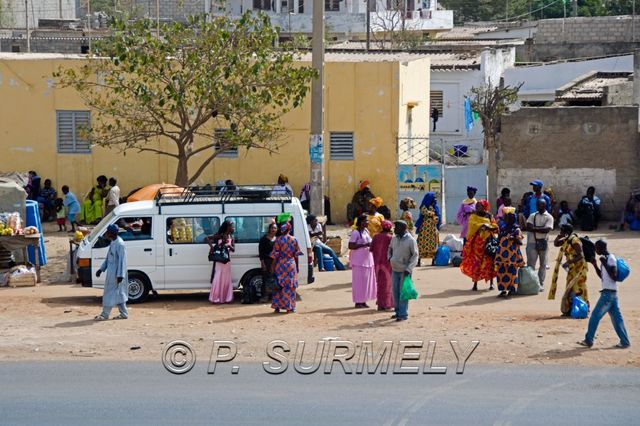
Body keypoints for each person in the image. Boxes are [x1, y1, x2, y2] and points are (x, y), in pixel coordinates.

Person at [578, 240, 630, 349]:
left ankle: (589, 340)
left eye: (596, 248)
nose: (595, 250)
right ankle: (625, 342)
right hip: (611, 293)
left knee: (595, 316)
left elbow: (614, 276)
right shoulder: (606, 259)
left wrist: (604, 263)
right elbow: (603, 277)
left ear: (601, 248)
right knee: (617, 319)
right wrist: (595, 265)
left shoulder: (610, 258)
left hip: (608, 294)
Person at [549, 224, 589, 316]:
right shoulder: (567, 239)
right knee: (570, 288)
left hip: (579, 268)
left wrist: (569, 262)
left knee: (578, 288)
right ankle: (570, 309)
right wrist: (558, 236)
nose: (560, 232)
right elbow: (556, 244)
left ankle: (582, 309)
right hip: (572, 268)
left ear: (566, 232)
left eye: (562, 231)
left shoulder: (574, 240)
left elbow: (581, 255)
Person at [460, 199, 498, 291]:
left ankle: (491, 283)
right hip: (477, 243)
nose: (477, 207)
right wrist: (483, 225)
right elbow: (472, 225)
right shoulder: (473, 216)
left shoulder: (489, 215)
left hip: (488, 241)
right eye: (477, 206)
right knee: (476, 263)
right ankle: (475, 284)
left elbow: (495, 226)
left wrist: (489, 227)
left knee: (489, 262)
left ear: (484, 207)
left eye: (479, 206)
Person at [93, 224, 128, 321]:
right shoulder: (113, 242)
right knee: (119, 293)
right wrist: (101, 269)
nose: (106, 234)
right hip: (111, 273)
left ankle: (105, 314)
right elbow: (109, 257)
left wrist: (120, 275)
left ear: (111, 233)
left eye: (107, 232)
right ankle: (124, 314)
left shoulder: (120, 244)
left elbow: (122, 261)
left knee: (109, 293)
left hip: (116, 274)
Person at [388, 220, 419, 322]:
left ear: (403, 228)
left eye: (396, 227)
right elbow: (390, 249)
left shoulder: (411, 240)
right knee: (395, 291)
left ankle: (402, 314)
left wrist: (409, 268)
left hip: (405, 271)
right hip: (394, 268)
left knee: (403, 292)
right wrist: (389, 258)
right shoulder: (394, 239)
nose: (394, 229)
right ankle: (397, 312)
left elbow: (415, 256)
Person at [270, 222, 302, 313]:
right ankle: (289, 307)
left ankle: (277, 307)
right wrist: (297, 266)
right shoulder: (294, 239)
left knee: (278, 285)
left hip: (280, 264)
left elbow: (274, 255)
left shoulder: (278, 240)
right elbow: (296, 255)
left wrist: (272, 267)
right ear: (289, 229)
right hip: (290, 265)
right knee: (290, 286)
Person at [349, 215, 377, 309]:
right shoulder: (355, 233)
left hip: (367, 260)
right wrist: (364, 244)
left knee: (366, 282)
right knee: (358, 282)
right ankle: (358, 302)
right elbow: (351, 246)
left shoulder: (366, 231)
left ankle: (363, 300)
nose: (368, 222)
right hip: (358, 261)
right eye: (366, 221)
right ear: (361, 222)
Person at [494, 208, 524, 298]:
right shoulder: (502, 228)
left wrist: (513, 238)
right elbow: (498, 240)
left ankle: (511, 290)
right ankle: (503, 290)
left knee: (512, 272)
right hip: (501, 256)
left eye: (510, 218)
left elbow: (520, 242)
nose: (507, 220)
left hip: (512, 256)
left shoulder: (516, 229)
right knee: (501, 272)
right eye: (507, 218)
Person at [526, 199, 554, 291]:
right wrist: (541, 229)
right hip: (532, 242)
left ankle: (540, 284)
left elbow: (547, 230)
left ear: (544, 206)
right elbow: (528, 227)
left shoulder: (549, 217)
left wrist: (534, 228)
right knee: (531, 265)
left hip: (543, 243)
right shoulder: (532, 215)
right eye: (538, 205)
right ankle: (532, 283)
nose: (538, 206)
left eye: (540, 205)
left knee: (543, 264)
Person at [207, 220, 235, 304]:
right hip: (219, 260)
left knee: (226, 278)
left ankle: (226, 298)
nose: (232, 227)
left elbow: (233, 250)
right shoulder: (219, 235)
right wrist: (211, 247)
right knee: (218, 277)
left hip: (227, 260)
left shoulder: (231, 237)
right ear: (227, 227)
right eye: (231, 226)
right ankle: (215, 298)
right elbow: (207, 238)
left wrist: (229, 245)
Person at [371, 220, 394, 311]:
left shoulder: (376, 237)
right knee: (388, 284)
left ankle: (380, 304)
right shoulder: (390, 238)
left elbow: (371, 249)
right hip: (387, 264)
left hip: (377, 263)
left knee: (379, 284)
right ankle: (387, 304)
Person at [415, 192, 441, 263]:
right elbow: (424, 212)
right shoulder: (424, 206)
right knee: (421, 243)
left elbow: (438, 215)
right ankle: (419, 261)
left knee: (433, 243)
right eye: (434, 198)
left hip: (432, 228)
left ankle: (433, 261)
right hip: (425, 228)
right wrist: (432, 214)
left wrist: (436, 218)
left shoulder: (435, 207)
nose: (435, 200)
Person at [258, 222, 278, 302]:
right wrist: (263, 263)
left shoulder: (277, 239)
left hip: (276, 261)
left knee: (274, 279)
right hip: (267, 261)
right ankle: (265, 296)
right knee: (266, 278)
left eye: (275, 228)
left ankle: (274, 296)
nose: (273, 229)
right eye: (272, 228)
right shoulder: (264, 239)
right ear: (269, 229)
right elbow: (261, 252)